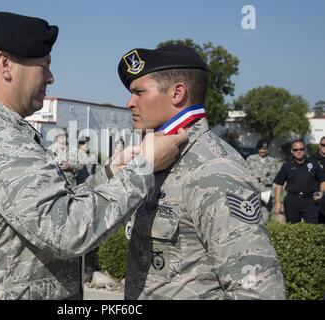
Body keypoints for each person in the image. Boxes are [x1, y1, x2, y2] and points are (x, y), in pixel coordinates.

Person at [0, 12, 186, 300]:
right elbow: (66, 233)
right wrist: (143, 168)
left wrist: (111, 174)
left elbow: (56, 208)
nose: (51, 77)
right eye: (43, 66)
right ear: (5, 65)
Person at [117, 44, 285, 299]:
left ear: (177, 93)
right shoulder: (155, 158)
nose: (130, 103)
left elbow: (259, 292)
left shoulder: (215, 169)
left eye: (139, 92)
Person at [274, 139, 325, 224]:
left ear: (305, 150)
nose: (299, 151)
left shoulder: (314, 164)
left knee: (313, 227)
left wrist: (321, 192)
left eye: (301, 149)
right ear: (291, 151)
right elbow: (279, 184)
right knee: (293, 228)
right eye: (296, 150)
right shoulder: (287, 166)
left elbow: (323, 180)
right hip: (292, 200)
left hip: (310, 200)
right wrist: (277, 203)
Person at [246, 140, 280, 223]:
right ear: (258, 149)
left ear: (268, 149)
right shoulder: (250, 159)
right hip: (253, 190)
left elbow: (274, 176)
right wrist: (255, 180)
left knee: (266, 215)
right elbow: (246, 174)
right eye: (260, 148)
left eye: (264, 149)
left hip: (266, 191)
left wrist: (262, 179)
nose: (262, 151)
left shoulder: (272, 161)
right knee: (252, 213)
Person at [311, 136, 325, 223]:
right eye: (323, 145)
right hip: (317, 192)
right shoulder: (312, 159)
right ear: (319, 145)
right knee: (318, 219)